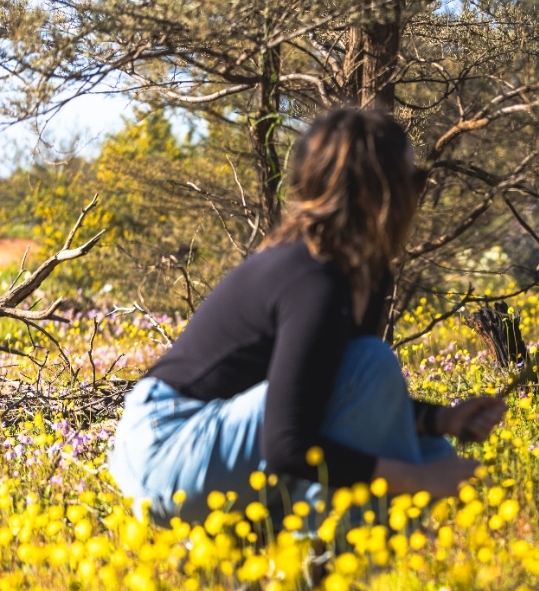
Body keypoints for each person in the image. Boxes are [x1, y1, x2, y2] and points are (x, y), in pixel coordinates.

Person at [108, 108, 507, 525]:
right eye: (414, 181)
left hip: (211, 445)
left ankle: (308, 572)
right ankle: (334, 569)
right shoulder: (314, 281)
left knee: (432, 449)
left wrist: (440, 419)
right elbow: (289, 445)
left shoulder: (362, 277)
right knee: (379, 382)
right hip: (165, 451)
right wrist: (415, 478)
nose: (419, 195)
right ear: (375, 194)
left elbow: (328, 398)